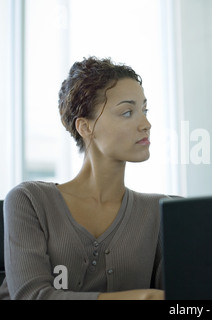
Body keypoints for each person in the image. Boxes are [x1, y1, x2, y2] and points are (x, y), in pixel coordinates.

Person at [0, 57, 169, 299]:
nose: (146, 124)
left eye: (145, 110)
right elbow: (30, 295)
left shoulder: (161, 211)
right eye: (128, 112)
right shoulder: (30, 201)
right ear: (85, 127)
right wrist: (142, 298)